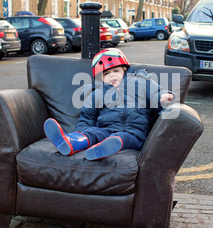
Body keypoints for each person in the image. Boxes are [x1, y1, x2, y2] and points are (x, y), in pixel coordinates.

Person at [44, 48, 174, 160]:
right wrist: (81, 132)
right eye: (106, 74)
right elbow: (87, 116)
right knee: (92, 133)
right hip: (105, 130)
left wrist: (163, 97)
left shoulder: (140, 82)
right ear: (100, 78)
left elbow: (155, 93)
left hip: (133, 133)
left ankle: (106, 147)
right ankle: (71, 142)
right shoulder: (97, 93)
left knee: (120, 137)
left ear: (124, 70)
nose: (112, 76)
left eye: (115, 71)